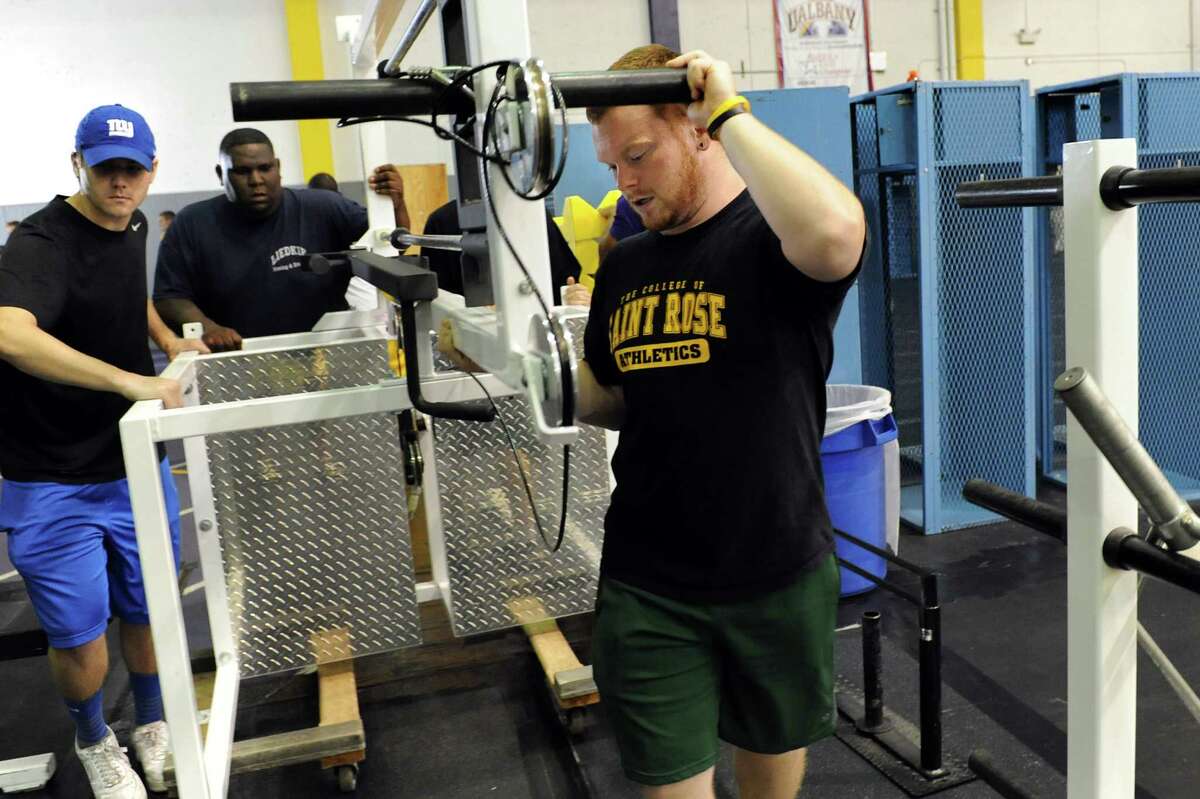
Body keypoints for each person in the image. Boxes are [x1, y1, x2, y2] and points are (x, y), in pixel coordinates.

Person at [578, 46, 866, 798]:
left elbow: (838, 233)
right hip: (650, 580)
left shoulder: (771, 242)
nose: (625, 182)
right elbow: (612, 396)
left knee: (770, 771)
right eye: (612, 166)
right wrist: (533, 372)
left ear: (697, 129)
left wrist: (731, 110)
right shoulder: (624, 266)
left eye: (637, 156)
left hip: (776, 566)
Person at [0, 104, 209, 799]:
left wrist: (169, 339)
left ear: (152, 172)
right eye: (104, 167)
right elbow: (8, 333)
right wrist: (127, 378)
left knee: (150, 607)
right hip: (53, 479)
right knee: (81, 638)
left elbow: (130, 292)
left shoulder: (136, 222)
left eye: (131, 169)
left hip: (133, 463)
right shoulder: (39, 245)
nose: (119, 182)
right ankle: (93, 737)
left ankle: (150, 721)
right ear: (78, 165)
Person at [153, 128, 411, 351]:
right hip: (239, 358)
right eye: (242, 171)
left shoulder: (325, 208)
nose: (256, 180)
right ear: (221, 174)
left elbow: (390, 249)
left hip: (327, 351)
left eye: (265, 168)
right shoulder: (192, 223)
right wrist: (207, 328)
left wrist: (396, 204)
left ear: (278, 168)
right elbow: (169, 297)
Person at [421, 199, 587, 305]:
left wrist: (573, 300)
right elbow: (437, 306)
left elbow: (567, 284)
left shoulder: (535, 216)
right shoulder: (442, 224)